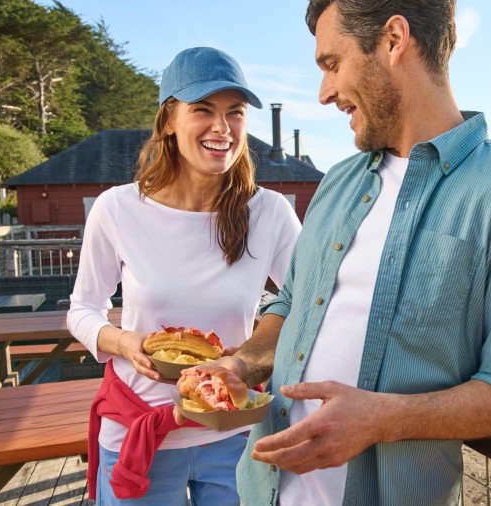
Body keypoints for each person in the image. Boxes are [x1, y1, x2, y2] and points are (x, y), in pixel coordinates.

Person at [183, 2, 491, 504]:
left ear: (393, 40)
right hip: (262, 492)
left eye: (331, 64)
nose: (324, 93)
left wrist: (383, 421)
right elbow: (291, 302)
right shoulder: (338, 182)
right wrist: (242, 367)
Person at [67, 46, 301, 505]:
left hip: (233, 433)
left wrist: (257, 356)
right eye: (203, 110)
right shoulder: (117, 208)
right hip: (139, 430)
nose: (222, 127)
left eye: (234, 113)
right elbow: (82, 310)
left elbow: (308, 302)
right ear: (169, 120)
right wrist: (122, 342)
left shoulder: (270, 212)